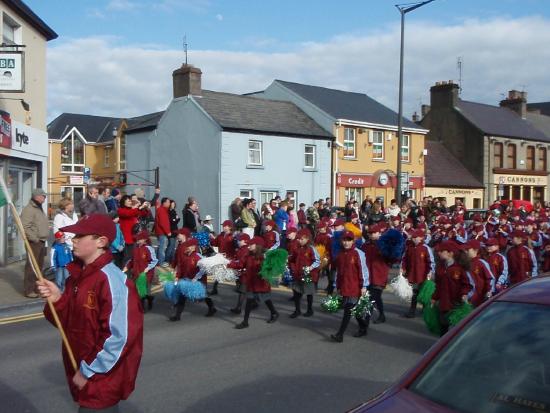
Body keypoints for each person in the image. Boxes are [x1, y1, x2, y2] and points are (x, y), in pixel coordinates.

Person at [36, 214, 143, 412]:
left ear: (101, 242)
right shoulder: (76, 277)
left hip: (101, 382)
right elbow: (69, 324)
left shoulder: (112, 281)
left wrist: (88, 371)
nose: (73, 239)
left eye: (80, 235)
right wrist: (57, 299)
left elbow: (119, 338)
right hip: (83, 376)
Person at [330, 230, 370, 342]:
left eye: (349, 240)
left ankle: (340, 335)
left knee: (348, 310)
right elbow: (338, 272)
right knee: (354, 310)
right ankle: (363, 326)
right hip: (344, 286)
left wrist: (364, 286)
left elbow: (363, 270)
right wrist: (336, 286)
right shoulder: (340, 254)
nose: (346, 243)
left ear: (353, 241)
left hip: (355, 286)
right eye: (344, 240)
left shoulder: (358, 253)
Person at [233, 237, 279, 329]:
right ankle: (245, 322)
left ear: (257, 246)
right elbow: (240, 264)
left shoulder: (265, 256)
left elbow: (270, 269)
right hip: (251, 283)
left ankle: (274, 313)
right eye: (248, 244)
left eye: (251, 244)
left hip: (262, 283)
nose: (249, 246)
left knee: (266, 299)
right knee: (249, 301)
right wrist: (226, 264)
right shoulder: (248, 255)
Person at [168, 238, 217, 321]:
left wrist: (196, 278)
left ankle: (212, 308)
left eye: (189, 246)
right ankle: (177, 316)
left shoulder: (198, 257)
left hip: (198, 281)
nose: (187, 247)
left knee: (202, 296)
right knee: (182, 296)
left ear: (194, 247)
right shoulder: (185, 256)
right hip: (186, 280)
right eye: (187, 246)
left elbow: (203, 269)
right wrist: (178, 276)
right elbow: (181, 268)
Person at [431, 241, 472, 336]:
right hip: (443, 303)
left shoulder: (460, 269)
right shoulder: (440, 268)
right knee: (443, 325)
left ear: (450, 253)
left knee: (454, 329)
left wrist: (464, 294)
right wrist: (434, 297)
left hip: (456, 303)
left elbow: (467, 284)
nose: (439, 253)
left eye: (442, 251)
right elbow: (438, 285)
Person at [21, 188, 49, 298]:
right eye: (43, 196)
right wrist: (35, 238)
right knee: (32, 267)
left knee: (39, 266)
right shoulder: (29, 209)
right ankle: (28, 290)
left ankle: (37, 288)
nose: (44, 198)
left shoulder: (38, 208)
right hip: (34, 242)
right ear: (36, 196)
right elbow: (25, 227)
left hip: (41, 241)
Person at [361, 224, 391, 324]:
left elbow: (391, 259)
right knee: (375, 298)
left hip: (379, 275)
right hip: (368, 276)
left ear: (379, 233)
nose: (372, 235)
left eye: (374, 233)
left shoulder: (384, 245)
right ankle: (382, 315)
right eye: (370, 233)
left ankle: (365, 322)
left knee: (373, 298)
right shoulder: (365, 245)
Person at [401, 229, 435, 318]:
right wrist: (403, 268)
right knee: (414, 293)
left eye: (416, 237)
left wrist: (430, 271)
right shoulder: (409, 248)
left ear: (421, 238)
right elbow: (404, 259)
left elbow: (431, 261)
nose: (414, 239)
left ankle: (425, 309)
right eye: (413, 237)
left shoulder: (425, 248)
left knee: (423, 292)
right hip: (412, 274)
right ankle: (412, 311)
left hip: (423, 275)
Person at [288, 229, 320, 318]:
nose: (300, 241)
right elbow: (292, 258)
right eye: (299, 239)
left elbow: (317, 261)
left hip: (308, 274)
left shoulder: (311, 248)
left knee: (309, 292)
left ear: (307, 239)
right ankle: (297, 310)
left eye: (302, 239)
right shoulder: (297, 248)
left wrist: (310, 268)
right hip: (298, 274)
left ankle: (310, 309)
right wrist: (287, 260)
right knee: (296, 292)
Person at [124, 229, 158, 312]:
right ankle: (149, 299)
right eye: (137, 240)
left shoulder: (149, 249)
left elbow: (154, 260)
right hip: (136, 273)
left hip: (146, 274)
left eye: (139, 239)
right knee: (139, 291)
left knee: (142, 291)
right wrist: (127, 266)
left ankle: (142, 308)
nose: (137, 241)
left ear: (145, 240)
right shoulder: (135, 249)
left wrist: (148, 268)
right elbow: (132, 260)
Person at [118, 194, 150, 265]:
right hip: (127, 239)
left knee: (134, 257)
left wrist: (146, 208)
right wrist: (139, 207)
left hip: (135, 238)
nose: (130, 202)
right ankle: (125, 274)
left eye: (130, 201)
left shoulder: (132, 210)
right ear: (123, 202)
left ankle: (132, 272)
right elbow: (129, 213)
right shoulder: (121, 210)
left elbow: (142, 213)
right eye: (129, 201)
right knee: (128, 258)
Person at [154, 197, 172, 267]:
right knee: (162, 247)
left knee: (160, 247)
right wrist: (168, 231)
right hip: (162, 232)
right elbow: (163, 222)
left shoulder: (162, 210)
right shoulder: (161, 210)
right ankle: (161, 262)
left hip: (161, 232)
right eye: (168, 202)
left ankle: (158, 261)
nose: (169, 204)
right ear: (164, 203)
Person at [165, 200, 180, 265]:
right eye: (172, 204)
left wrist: (176, 219)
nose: (173, 205)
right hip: (171, 230)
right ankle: (167, 260)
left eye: (174, 204)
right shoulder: (169, 212)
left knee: (173, 246)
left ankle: (172, 260)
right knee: (170, 245)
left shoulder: (174, 211)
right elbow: (171, 221)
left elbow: (175, 220)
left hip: (175, 230)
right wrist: (176, 219)